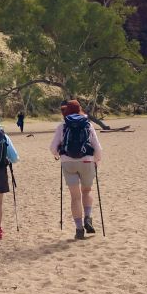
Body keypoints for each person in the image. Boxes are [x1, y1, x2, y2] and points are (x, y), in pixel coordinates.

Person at [50, 100, 103, 240]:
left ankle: (79, 229)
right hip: (87, 161)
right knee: (87, 191)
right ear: (80, 110)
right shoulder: (88, 125)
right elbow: (97, 148)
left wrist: (59, 155)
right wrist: (96, 161)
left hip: (68, 163)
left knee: (75, 197)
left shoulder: (62, 126)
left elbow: (53, 148)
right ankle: (87, 217)